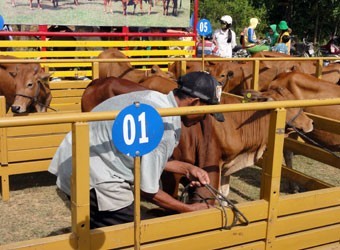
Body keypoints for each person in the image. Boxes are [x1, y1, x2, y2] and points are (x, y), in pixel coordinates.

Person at [49, 71, 224, 229]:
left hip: (74, 162)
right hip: (95, 178)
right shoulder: (163, 125)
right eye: (205, 112)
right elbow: (147, 190)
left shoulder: (155, 99)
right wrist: (188, 209)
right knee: (136, 235)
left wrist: (187, 168)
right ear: (195, 103)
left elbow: (144, 157)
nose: (204, 119)